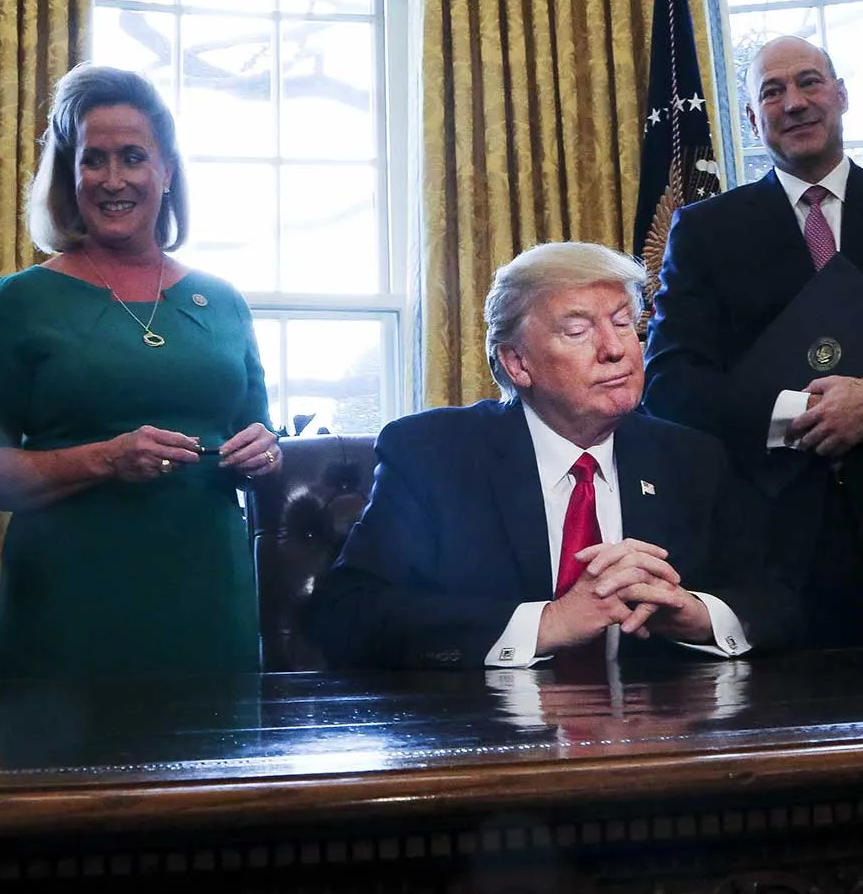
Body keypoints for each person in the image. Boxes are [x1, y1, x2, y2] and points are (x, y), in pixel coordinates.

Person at [643, 35, 863, 646]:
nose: (795, 102)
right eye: (772, 91)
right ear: (754, 119)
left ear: (841, 94)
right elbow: (672, 384)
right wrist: (800, 415)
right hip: (767, 556)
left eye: (810, 82)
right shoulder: (706, 233)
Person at [308, 242, 800, 670]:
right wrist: (548, 623)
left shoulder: (690, 458)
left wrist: (697, 615)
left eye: (624, 323)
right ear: (517, 362)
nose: (615, 349)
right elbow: (350, 614)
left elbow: (778, 601)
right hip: (488, 745)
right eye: (578, 330)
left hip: (656, 743)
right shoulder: (433, 455)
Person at [0, 65, 281, 677]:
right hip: (72, 608)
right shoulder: (20, 303)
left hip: (210, 602)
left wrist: (266, 452)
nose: (113, 179)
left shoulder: (224, 301)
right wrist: (104, 458)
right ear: (69, 178)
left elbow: (257, 438)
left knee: (217, 770)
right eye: (93, 160)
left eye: (133, 157)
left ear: (167, 172)